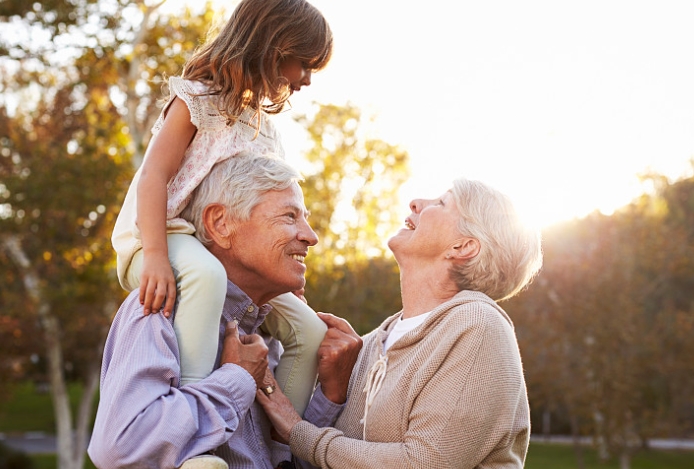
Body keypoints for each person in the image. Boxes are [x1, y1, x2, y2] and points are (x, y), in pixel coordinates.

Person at [110, 0, 333, 418]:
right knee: (205, 275)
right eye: (303, 64)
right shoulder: (196, 100)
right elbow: (153, 177)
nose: (304, 80)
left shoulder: (265, 129)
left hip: (218, 245)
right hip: (163, 234)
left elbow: (268, 204)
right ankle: (192, 427)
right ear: (273, 49)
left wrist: (283, 271)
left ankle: (281, 442)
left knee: (309, 329)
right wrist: (155, 255)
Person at [89, 154, 354, 469]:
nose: (311, 236)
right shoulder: (158, 309)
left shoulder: (268, 336)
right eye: (289, 216)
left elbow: (283, 463)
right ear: (220, 224)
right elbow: (122, 448)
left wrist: (332, 393)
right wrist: (237, 379)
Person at [256, 177, 544, 468]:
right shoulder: (370, 344)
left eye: (442, 203)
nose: (416, 203)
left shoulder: (478, 326)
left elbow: (422, 462)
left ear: (463, 247)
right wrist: (325, 378)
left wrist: (296, 430)